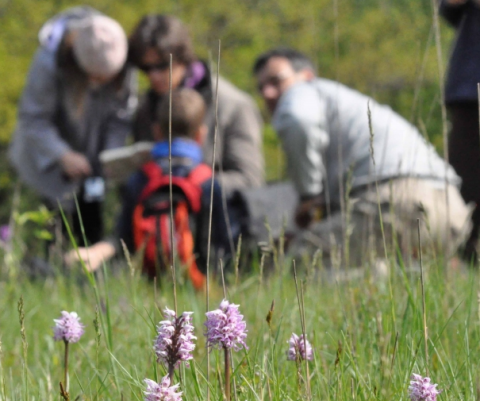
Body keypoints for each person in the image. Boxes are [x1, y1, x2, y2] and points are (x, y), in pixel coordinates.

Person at [253, 48, 471, 266]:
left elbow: (298, 121)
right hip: (451, 208)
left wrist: (308, 195)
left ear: (307, 76)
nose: (267, 93)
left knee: (296, 264)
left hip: (395, 201)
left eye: (276, 81)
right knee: (407, 273)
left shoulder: (303, 91)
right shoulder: (347, 103)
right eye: (261, 87)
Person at [65, 88, 227, 277]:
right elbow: (221, 244)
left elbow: (124, 236)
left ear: (156, 131)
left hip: (149, 279)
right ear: (201, 135)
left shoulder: (141, 177)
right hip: (198, 282)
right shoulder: (207, 181)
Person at [9, 6, 137, 246]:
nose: (100, 85)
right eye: (96, 77)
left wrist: (111, 154)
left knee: (91, 230)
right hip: (46, 163)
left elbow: (122, 115)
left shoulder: (118, 54)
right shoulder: (49, 62)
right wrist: (63, 155)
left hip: (94, 167)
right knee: (50, 234)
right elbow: (33, 118)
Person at [128, 14, 264, 197]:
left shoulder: (232, 105)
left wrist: (190, 183)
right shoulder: (146, 107)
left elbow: (250, 180)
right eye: (145, 68)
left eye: (161, 66)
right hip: (159, 219)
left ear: (183, 58)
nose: (153, 76)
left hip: (213, 219)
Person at [440, 0, 480, 263]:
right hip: (468, 91)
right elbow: (449, 9)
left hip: (466, 88)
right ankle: (466, 255)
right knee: (464, 182)